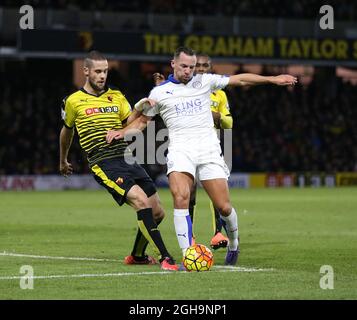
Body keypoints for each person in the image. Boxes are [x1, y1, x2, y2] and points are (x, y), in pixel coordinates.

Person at [107, 46, 297, 266]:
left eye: (192, 67)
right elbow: (141, 123)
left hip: (208, 150)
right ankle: (189, 254)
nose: (189, 71)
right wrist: (121, 133)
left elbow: (240, 80)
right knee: (180, 198)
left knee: (224, 207)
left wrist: (272, 79)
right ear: (173, 64)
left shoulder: (205, 81)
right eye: (184, 66)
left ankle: (234, 243)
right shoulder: (159, 93)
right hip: (180, 151)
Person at [59, 50, 178, 271]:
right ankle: (166, 258)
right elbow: (67, 132)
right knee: (141, 202)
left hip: (127, 157)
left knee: (158, 212)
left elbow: (129, 123)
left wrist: (143, 106)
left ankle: (137, 256)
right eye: (97, 71)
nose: (102, 75)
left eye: (104, 71)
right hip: (103, 161)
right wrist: (63, 160)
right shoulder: (73, 101)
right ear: (86, 71)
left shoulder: (117, 96)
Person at [153, 53, 233, 251]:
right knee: (188, 194)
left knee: (217, 196)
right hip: (185, 146)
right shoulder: (184, 88)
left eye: (206, 65)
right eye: (200, 66)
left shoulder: (217, 92)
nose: (202, 69)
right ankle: (191, 237)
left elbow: (229, 123)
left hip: (210, 146)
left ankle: (218, 232)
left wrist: (215, 115)